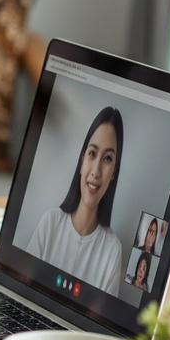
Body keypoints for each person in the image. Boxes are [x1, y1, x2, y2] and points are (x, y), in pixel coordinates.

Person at [25, 107, 125, 297]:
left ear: (114, 173)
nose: (96, 171)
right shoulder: (51, 222)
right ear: (82, 161)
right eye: (92, 153)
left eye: (107, 158)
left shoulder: (112, 249)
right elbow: (24, 286)